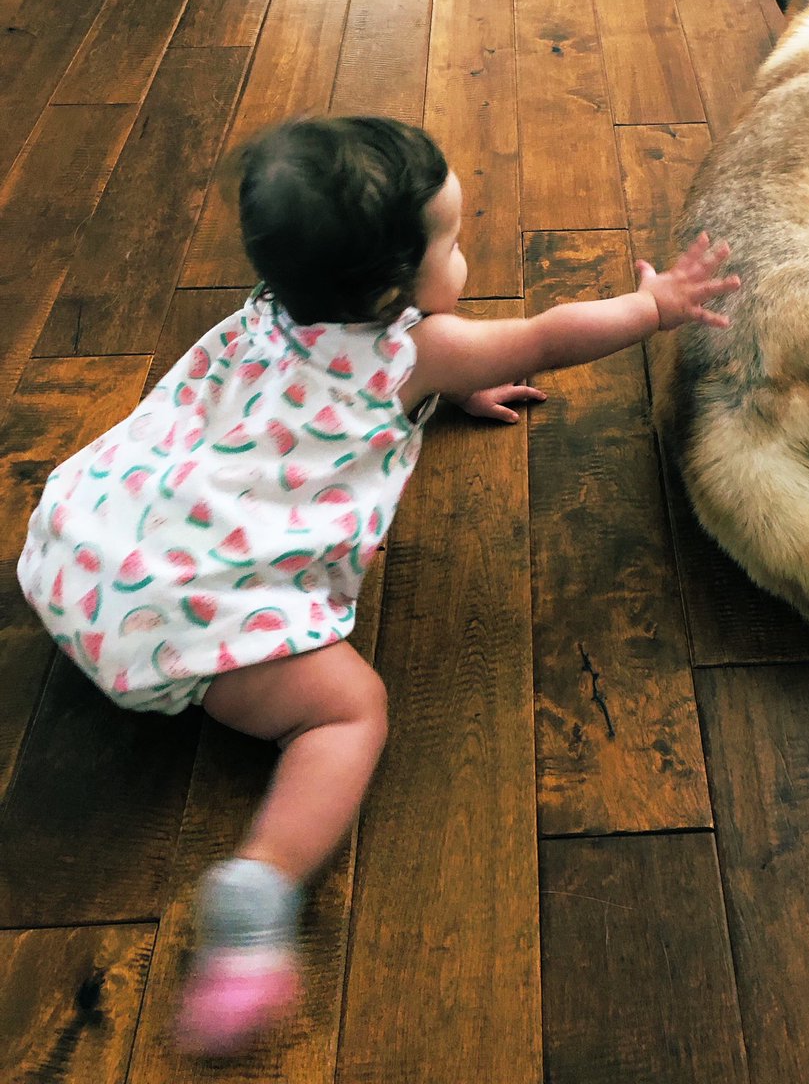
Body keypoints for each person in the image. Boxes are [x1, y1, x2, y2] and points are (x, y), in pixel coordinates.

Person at [17, 115, 739, 1055]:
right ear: (393, 286)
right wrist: (654, 307)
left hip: (79, 549)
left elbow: (373, 380)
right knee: (348, 711)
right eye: (452, 241)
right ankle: (263, 882)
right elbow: (546, 336)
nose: (464, 253)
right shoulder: (415, 352)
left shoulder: (276, 303)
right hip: (185, 620)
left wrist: (453, 385)